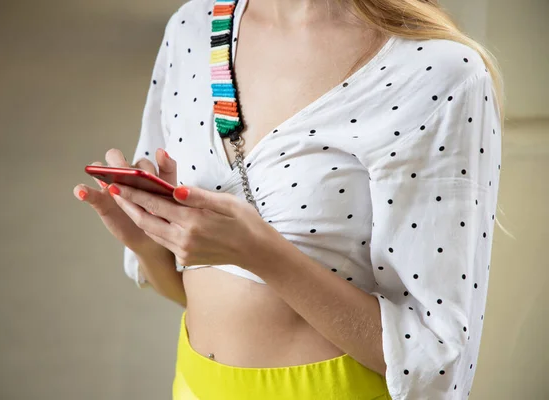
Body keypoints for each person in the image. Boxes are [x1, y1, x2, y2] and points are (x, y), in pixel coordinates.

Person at [74, 0, 503, 398]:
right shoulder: (194, 28)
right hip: (192, 385)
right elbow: (191, 291)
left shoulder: (435, 72)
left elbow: (436, 365)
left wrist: (261, 253)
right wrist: (148, 240)